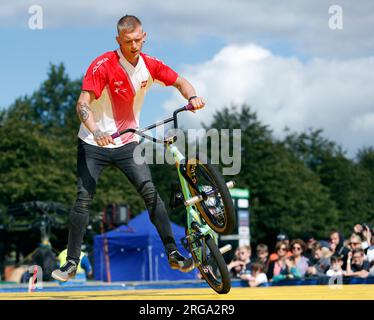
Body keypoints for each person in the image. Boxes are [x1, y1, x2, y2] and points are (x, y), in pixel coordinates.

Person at [52, 15, 205, 282]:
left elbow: (181, 81)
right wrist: (95, 130)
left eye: (137, 40)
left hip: (127, 141)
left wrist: (192, 97)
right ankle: (71, 263)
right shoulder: (103, 65)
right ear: (118, 40)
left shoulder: (150, 65)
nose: (134, 46)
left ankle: (173, 253)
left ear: (144, 37)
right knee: (83, 199)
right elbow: (82, 103)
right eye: (127, 41)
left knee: (151, 193)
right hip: (93, 142)